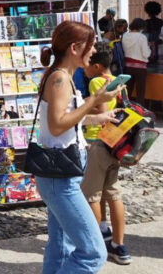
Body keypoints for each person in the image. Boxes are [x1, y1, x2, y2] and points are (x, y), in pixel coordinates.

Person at [35, 21, 122, 273]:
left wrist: (98, 117)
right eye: (91, 46)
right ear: (75, 47)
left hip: (60, 176)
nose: (94, 51)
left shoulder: (62, 77)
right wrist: (95, 100)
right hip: (60, 180)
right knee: (93, 253)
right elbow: (57, 125)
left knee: (61, 246)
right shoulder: (60, 78)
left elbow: (66, 121)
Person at [81, 43, 131, 265]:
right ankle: (118, 245)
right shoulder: (120, 81)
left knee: (91, 194)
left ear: (97, 65)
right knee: (112, 193)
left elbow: (102, 111)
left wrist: (81, 106)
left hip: (96, 141)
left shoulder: (96, 81)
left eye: (87, 65)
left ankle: (95, 246)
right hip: (115, 143)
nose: (84, 69)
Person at [121, 18, 150, 105]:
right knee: (140, 92)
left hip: (127, 66)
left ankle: (125, 109)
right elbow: (146, 54)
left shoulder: (125, 35)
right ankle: (140, 111)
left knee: (127, 91)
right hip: (140, 68)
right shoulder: (142, 37)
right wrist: (150, 49)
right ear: (141, 27)